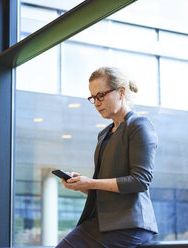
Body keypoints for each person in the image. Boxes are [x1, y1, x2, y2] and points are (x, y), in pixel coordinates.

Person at [56, 67, 158, 248]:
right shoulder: (104, 134)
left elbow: (140, 181)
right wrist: (83, 185)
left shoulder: (139, 125)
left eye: (101, 95)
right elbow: (108, 190)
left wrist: (91, 183)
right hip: (103, 222)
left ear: (121, 92)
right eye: (93, 98)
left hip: (129, 225)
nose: (96, 103)